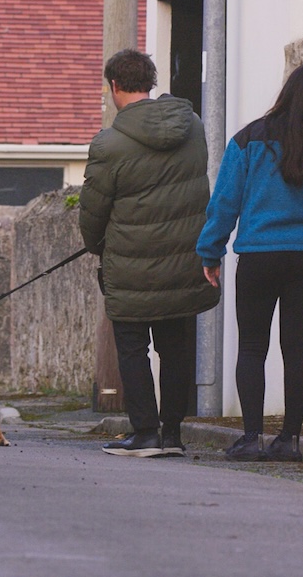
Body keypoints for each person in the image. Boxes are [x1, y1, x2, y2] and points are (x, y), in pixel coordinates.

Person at [197, 63, 303, 462]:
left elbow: (225, 202)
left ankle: (251, 438)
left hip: (259, 256)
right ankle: (290, 441)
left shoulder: (249, 139)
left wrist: (210, 251)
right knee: (296, 347)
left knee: (251, 347)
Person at [79, 49, 221, 458]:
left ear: (114, 87)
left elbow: (93, 212)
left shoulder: (109, 143)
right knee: (176, 346)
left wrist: (97, 246)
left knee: (131, 346)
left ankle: (144, 431)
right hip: (184, 260)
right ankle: (173, 432)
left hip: (130, 263)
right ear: (151, 82)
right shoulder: (191, 127)